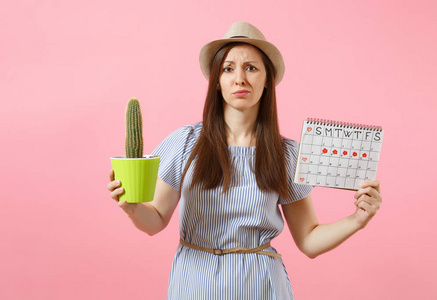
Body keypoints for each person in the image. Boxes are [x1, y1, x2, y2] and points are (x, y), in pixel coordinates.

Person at [107, 22, 382, 299]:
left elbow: (309, 239)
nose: (239, 78)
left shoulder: (286, 155)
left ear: (267, 80)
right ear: (217, 81)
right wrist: (131, 207)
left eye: (251, 68)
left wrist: (357, 220)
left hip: (261, 286)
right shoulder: (186, 143)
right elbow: (154, 220)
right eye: (228, 69)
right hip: (194, 284)